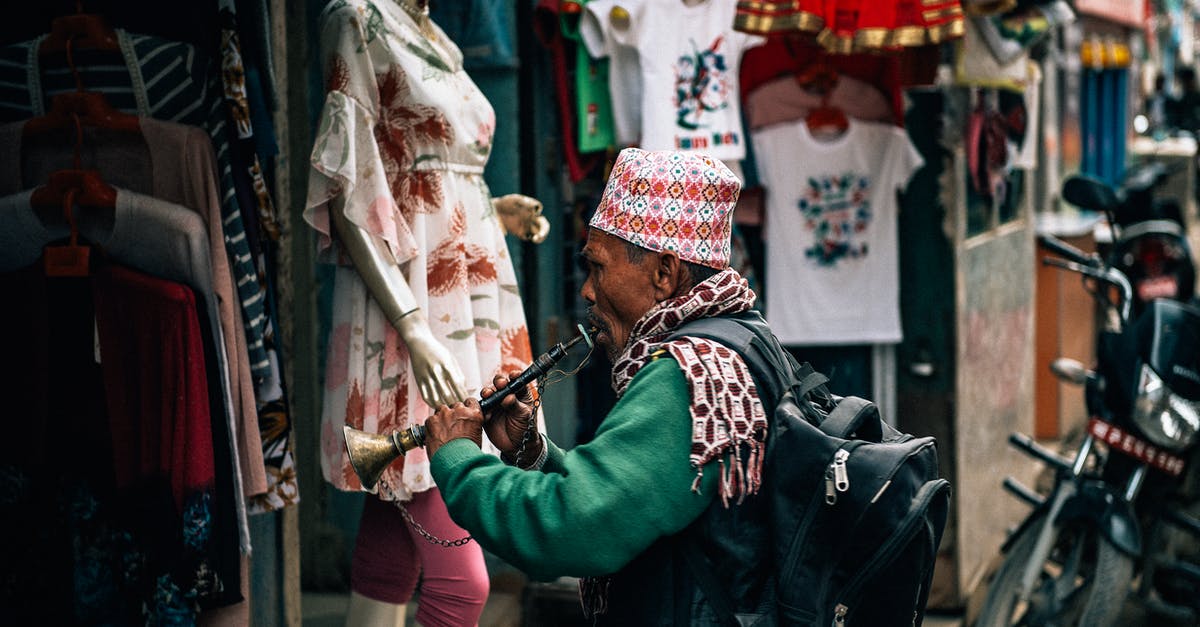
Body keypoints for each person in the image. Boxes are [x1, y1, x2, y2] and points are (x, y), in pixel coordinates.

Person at [423, 147, 778, 623]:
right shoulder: (743, 339)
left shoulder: (689, 375)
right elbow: (636, 499)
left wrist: (456, 459)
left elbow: (570, 527)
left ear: (664, 273)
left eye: (599, 267)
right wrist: (534, 454)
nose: (588, 290)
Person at [304, 1, 549, 625]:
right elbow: (349, 189)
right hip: (416, 304)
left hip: (466, 288)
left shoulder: (435, 34)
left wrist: (491, 208)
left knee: (391, 537)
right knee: (463, 581)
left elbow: (438, 168)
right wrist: (411, 327)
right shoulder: (357, 18)